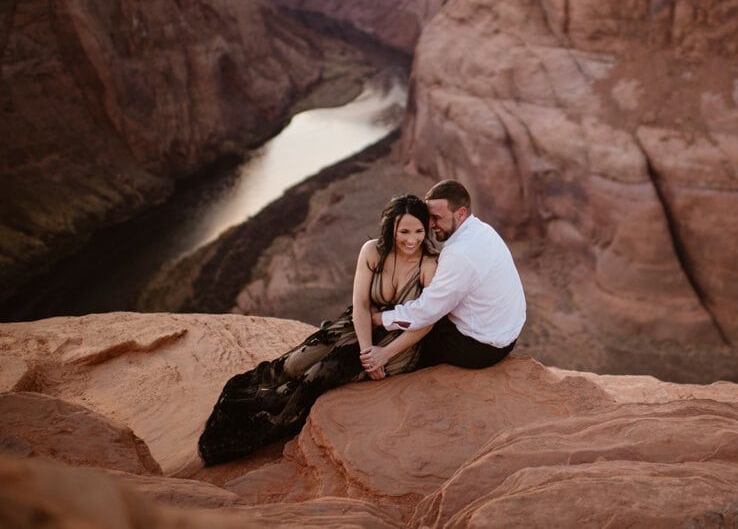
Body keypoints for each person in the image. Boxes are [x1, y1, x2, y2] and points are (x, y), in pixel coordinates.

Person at [198, 194, 439, 466]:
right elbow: (360, 304)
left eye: (419, 231)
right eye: (404, 231)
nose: (412, 239)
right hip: (359, 328)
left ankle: (267, 425)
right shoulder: (372, 251)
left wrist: (381, 355)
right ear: (390, 228)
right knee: (293, 364)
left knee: (318, 375)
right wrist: (365, 348)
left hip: (398, 343)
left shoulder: (429, 264)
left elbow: (426, 322)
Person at [361, 179, 526, 373]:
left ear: (461, 213)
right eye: (429, 217)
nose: (430, 224)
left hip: (480, 346)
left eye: (437, 218)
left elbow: (426, 312)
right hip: (506, 334)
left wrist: (379, 319)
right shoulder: (482, 230)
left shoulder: (460, 252)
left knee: (408, 339)